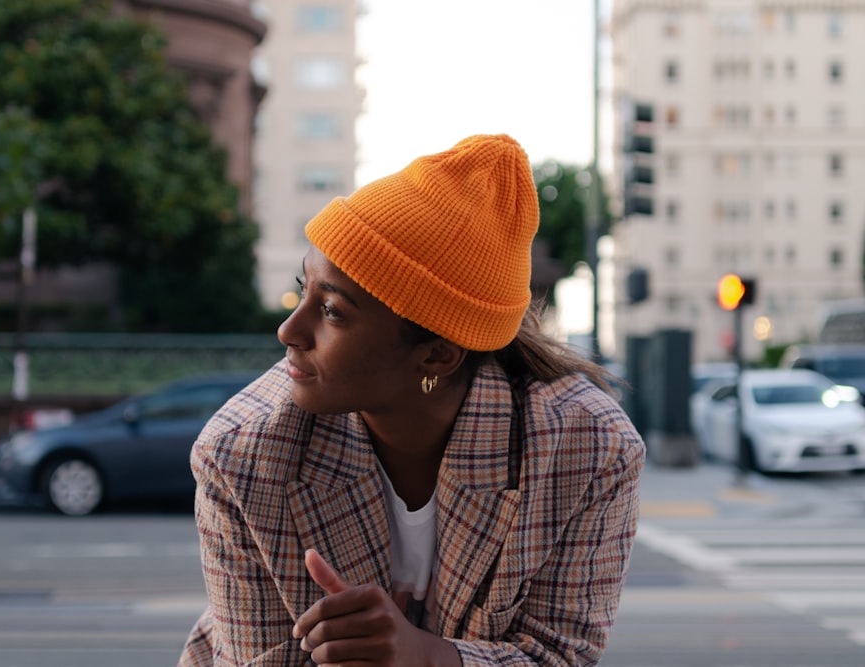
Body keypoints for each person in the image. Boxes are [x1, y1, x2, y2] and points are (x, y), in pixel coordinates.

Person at [178, 134, 645, 667]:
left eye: (331, 311)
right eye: (302, 289)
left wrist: (424, 655)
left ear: (438, 356)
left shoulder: (586, 448)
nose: (288, 330)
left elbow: (562, 657)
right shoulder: (243, 454)